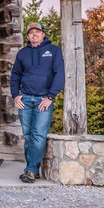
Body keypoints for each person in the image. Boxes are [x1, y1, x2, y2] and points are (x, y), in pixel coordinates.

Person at [10, 22, 65, 184]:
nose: (34, 35)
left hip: (43, 100)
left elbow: (59, 75)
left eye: (37, 32)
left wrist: (50, 97)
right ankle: (32, 168)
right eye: (31, 33)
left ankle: (31, 169)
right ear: (28, 36)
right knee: (28, 136)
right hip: (25, 99)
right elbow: (15, 76)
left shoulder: (54, 51)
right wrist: (15, 95)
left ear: (43, 34)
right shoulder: (23, 53)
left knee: (39, 135)